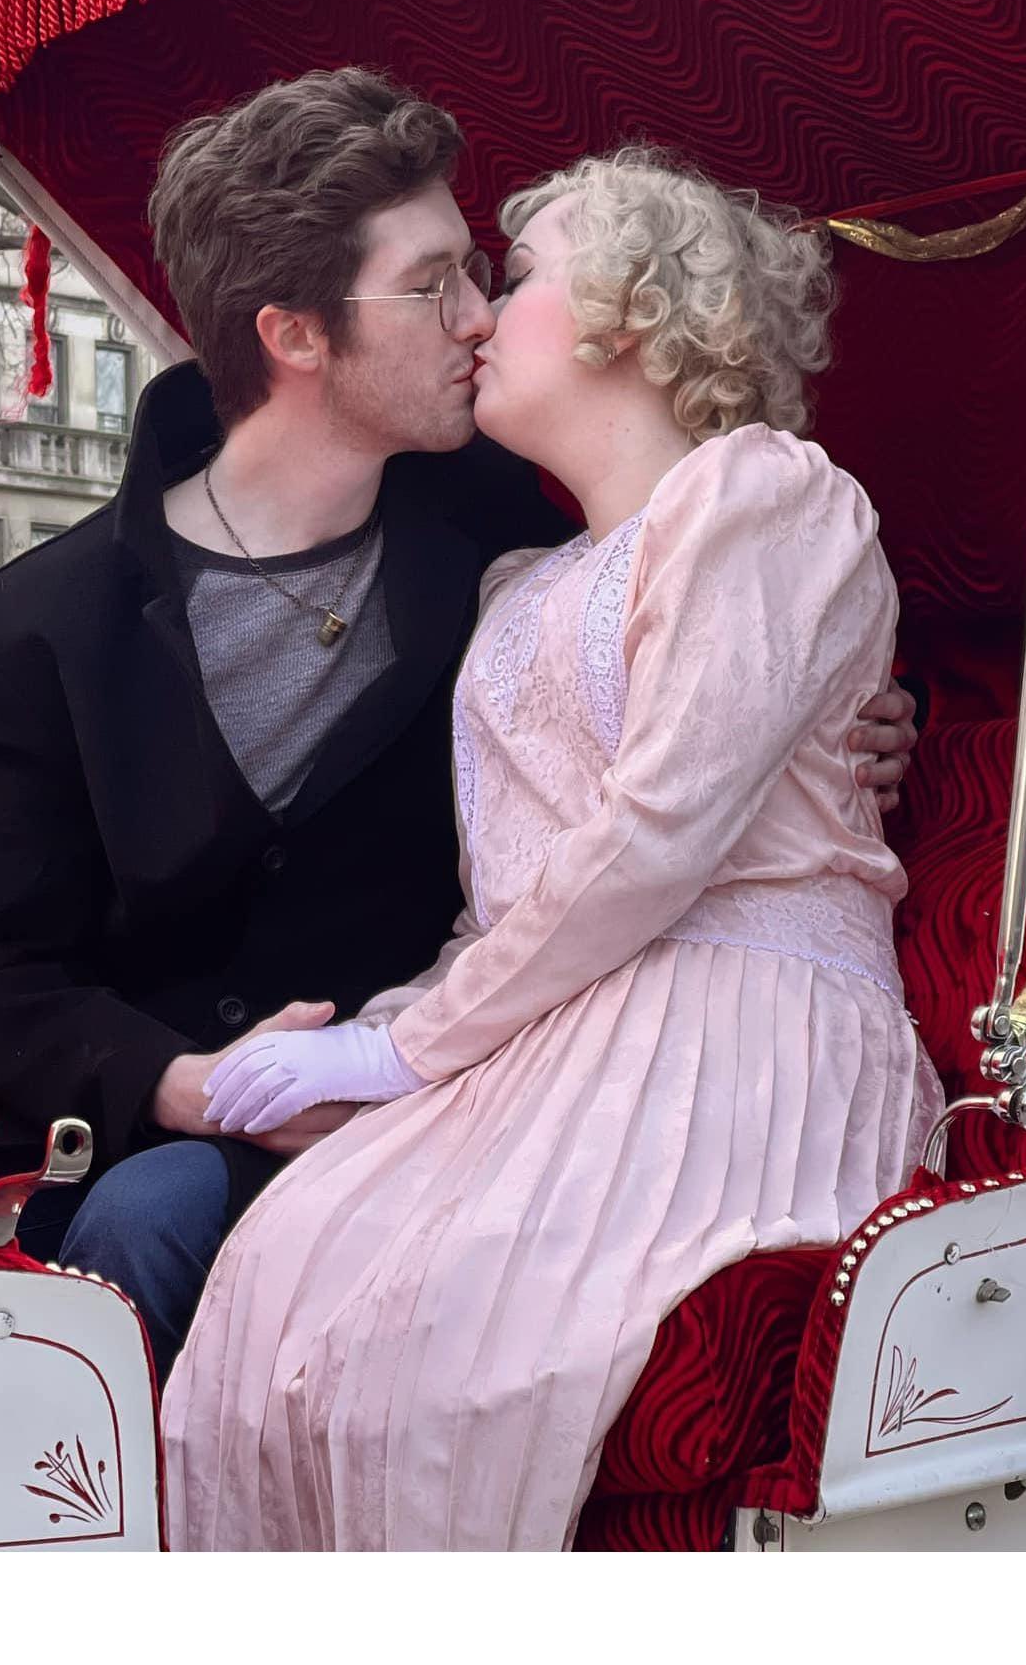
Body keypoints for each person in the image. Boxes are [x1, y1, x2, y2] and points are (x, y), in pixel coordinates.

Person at [0, 72, 918, 1382]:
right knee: (141, 1216)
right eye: (435, 283)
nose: (478, 315)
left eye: (486, 276)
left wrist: (867, 716)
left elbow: (711, 644)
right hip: (184, 1127)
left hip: (474, 1084)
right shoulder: (24, 635)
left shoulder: (508, 528)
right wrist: (187, 1082)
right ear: (300, 336)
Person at [162, 150, 946, 1551]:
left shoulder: (765, 496)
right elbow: (510, 891)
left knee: (446, 1349)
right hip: (555, 1023)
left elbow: (663, 828)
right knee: (276, 1278)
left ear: (631, 314)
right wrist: (397, 1031)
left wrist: (400, 1051)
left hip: (731, 1017)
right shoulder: (520, 580)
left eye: (512, 279)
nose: (476, 315)